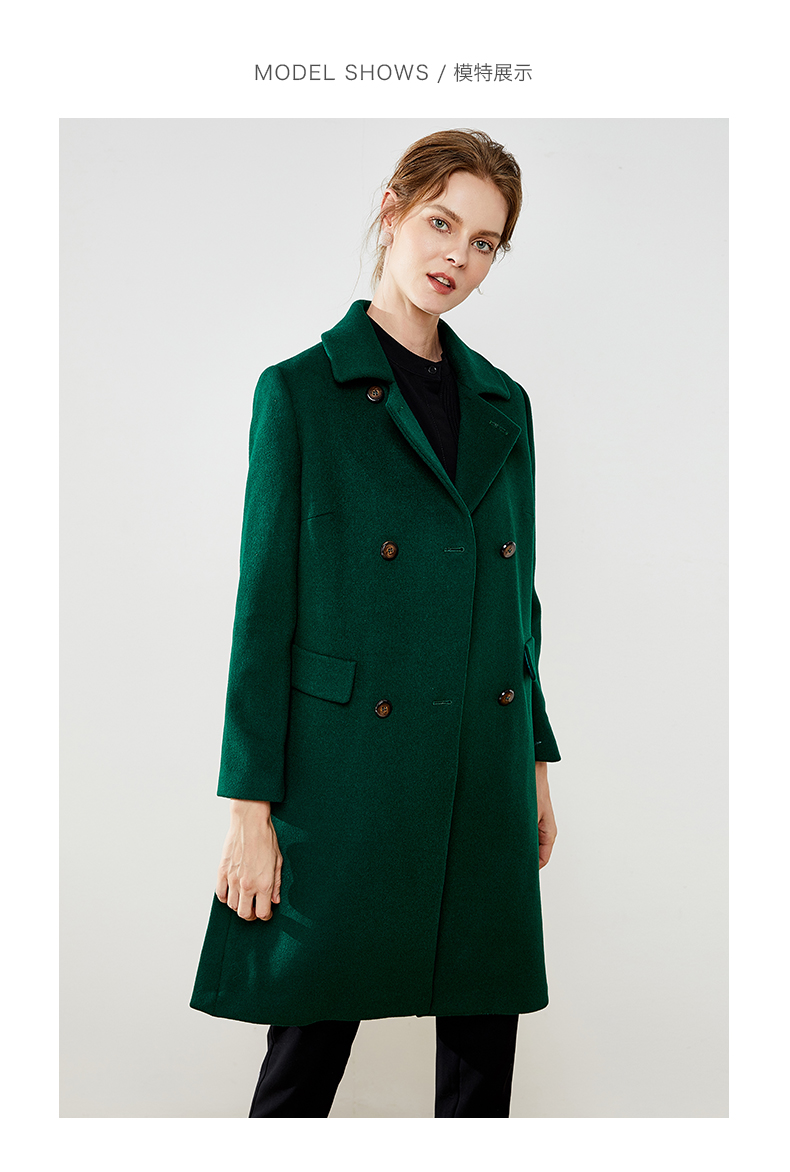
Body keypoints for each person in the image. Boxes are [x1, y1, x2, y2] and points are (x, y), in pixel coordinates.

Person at [190, 128, 561, 1118]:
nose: (457, 256)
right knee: (303, 1060)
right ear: (392, 211)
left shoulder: (503, 405)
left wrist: (532, 760)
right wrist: (249, 810)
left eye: (484, 243)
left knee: (481, 1062)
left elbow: (516, 603)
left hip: (480, 762)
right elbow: (263, 613)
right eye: (442, 222)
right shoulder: (299, 393)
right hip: (347, 771)